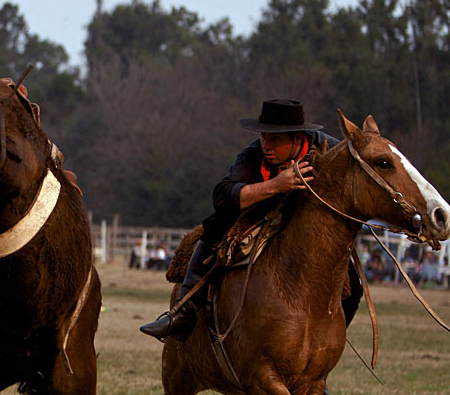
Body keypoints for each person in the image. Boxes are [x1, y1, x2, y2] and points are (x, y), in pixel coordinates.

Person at [140, 99, 362, 342]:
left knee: (353, 288)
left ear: (298, 137)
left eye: (275, 138)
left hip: (312, 223)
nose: (267, 144)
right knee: (216, 225)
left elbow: (361, 168)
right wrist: (276, 185)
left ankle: (328, 340)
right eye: (264, 136)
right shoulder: (252, 155)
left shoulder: (329, 149)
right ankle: (184, 312)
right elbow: (222, 195)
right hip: (261, 212)